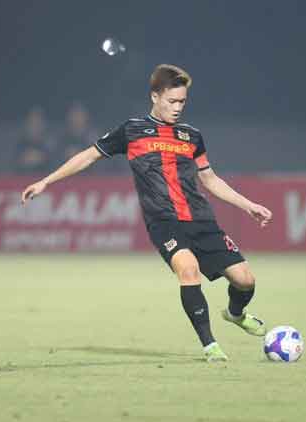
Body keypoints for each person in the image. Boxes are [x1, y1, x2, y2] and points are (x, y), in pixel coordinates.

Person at [22, 64, 272, 362]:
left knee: (245, 280)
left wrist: (248, 205)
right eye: (172, 101)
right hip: (163, 222)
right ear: (155, 96)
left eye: (182, 102)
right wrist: (46, 181)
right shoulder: (132, 130)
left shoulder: (191, 136)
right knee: (188, 270)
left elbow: (209, 179)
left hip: (201, 220)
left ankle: (235, 313)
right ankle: (210, 346)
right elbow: (88, 156)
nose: (178, 108)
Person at [13, 106, 55, 174]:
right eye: (32, 122)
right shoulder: (19, 145)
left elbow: (56, 168)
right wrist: (23, 162)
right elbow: (11, 169)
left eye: (38, 123)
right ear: (27, 124)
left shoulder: (51, 145)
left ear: (44, 125)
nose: (35, 127)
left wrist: (43, 159)